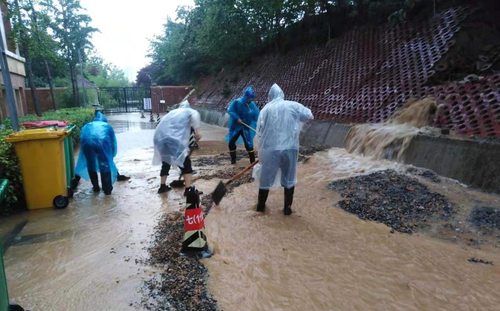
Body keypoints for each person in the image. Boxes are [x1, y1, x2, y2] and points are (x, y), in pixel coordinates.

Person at [254, 84, 314, 215]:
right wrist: (299, 129)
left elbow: (260, 133)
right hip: (290, 148)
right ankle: (287, 209)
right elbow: (309, 116)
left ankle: (260, 208)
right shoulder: (293, 105)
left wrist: (262, 153)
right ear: (282, 95)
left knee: (265, 180)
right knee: (289, 178)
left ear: (270, 96)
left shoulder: (265, 110)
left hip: (270, 150)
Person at [153, 100, 202, 196]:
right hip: (172, 139)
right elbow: (195, 122)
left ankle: (162, 187)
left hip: (159, 138)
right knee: (186, 164)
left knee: (166, 161)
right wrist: (197, 131)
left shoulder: (173, 113)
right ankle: (188, 190)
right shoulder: (190, 112)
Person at [75, 112, 119, 195]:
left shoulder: (87, 125)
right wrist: (111, 155)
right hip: (102, 143)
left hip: (87, 144)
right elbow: (113, 143)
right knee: (105, 165)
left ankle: (96, 187)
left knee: (91, 164)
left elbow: (82, 138)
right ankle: (107, 190)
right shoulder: (107, 126)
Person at [226, 87, 260, 164]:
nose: (251, 100)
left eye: (252, 98)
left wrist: (259, 124)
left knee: (249, 144)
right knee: (231, 143)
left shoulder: (252, 105)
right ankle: (233, 161)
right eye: (250, 98)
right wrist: (237, 118)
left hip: (245, 127)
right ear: (246, 97)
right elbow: (230, 110)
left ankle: (252, 163)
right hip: (236, 126)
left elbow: (256, 115)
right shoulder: (237, 102)